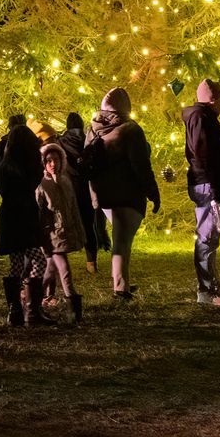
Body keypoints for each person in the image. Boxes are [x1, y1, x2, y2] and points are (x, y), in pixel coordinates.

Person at [85, 86, 160, 302]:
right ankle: (120, 287)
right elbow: (141, 167)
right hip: (127, 193)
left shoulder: (93, 129)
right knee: (123, 242)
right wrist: (153, 193)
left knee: (121, 239)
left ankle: (122, 283)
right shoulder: (130, 130)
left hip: (104, 194)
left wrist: (94, 196)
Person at [183, 80, 220, 307]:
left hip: (209, 183)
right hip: (207, 185)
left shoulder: (203, 118)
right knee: (207, 236)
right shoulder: (201, 119)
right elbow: (202, 153)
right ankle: (206, 290)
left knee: (211, 237)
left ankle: (212, 285)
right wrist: (212, 185)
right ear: (213, 99)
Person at [0, 114, 48, 327]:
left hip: (8, 215)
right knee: (39, 259)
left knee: (16, 263)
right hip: (23, 214)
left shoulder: (5, 166)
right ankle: (32, 309)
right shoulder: (27, 169)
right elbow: (34, 181)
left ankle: (15, 310)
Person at [36, 141, 86, 323]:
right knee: (63, 268)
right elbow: (41, 212)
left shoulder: (65, 181)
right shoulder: (42, 184)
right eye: (48, 161)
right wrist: (42, 236)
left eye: (56, 160)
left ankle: (31, 300)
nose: (52, 164)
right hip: (51, 235)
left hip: (64, 233)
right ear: (43, 163)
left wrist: (77, 230)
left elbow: (72, 209)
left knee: (49, 271)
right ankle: (73, 304)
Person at [57, 111, 107, 278]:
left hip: (67, 189)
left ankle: (60, 264)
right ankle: (91, 262)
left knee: (61, 225)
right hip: (87, 188)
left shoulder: (60, 142)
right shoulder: (88, 140)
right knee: (88, 225)